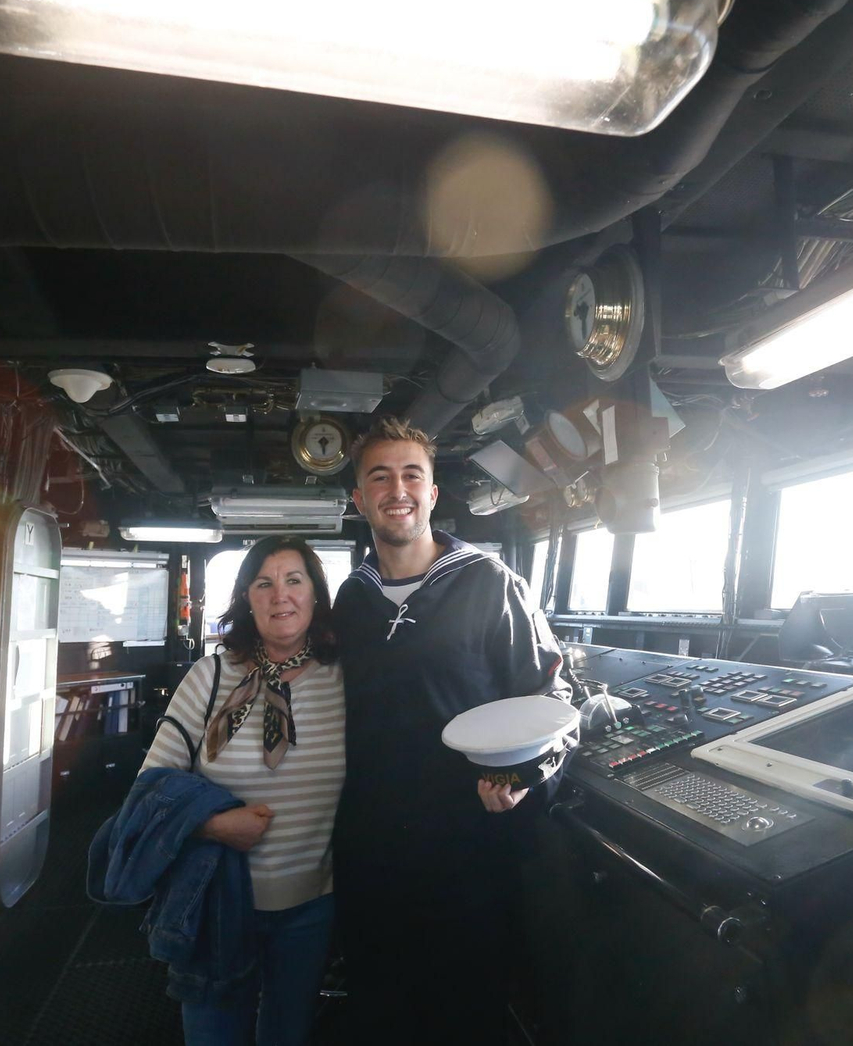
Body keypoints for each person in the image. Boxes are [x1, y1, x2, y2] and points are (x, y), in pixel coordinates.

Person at [331, 417, 573, 1044]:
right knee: (379, 998)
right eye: (379, 477)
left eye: (413, 475)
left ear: (433, 494)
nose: (398, 489)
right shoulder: (351, 600)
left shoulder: (488, 584)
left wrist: (524, 776)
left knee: (464, 1003)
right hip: (372, 840)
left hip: (465, 839)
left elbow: (551, 697)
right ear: (360, 500)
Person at [140, 536, 346, 1046]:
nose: (281, 596)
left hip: (311, 904)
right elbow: (150, 787)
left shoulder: (345, 680)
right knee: (214, 1035)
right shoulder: (209, 676)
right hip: (217, 899)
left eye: (294, 581)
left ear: (316, 595)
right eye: (264, 584)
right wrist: (212, 824)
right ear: (247, 600)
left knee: (287, 1032)